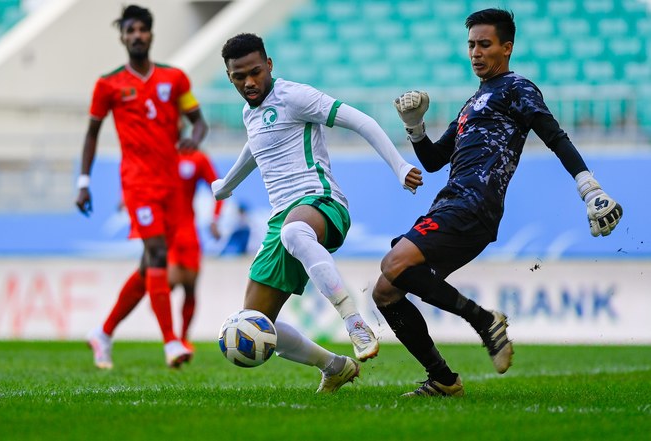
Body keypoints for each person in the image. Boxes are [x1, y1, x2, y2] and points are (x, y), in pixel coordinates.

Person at [372, 8, 623, 398]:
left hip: (474, 205)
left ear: (506, 48)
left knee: (393, 264)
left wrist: (588, 186)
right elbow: (435, 161)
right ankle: (442, 379)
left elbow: (554, 136)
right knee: (385, 292)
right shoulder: (474, 101)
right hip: (451, 202)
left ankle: (483, 320)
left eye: (484, 44)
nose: (475, 52)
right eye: (471, 44)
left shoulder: (516, 88)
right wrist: (415, 126)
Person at [212, 33, 423, 393]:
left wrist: (400, 166)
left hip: (321, 201)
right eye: (238, 76)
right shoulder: (251, 112)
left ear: (270, 65)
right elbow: (254, 146)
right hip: (283, 218)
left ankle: (354, 320)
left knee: (293, 233)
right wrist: (227, 184)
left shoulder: (295, 96)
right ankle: (334, 366)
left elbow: (362, 121)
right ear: (229, 75)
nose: (249, 82)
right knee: (257, 322)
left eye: (255, 72)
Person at [76, 4, 208, 369]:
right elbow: (92, 134)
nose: (136, 36)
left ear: (150, 34)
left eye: (142, 30)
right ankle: (171, 343)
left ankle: (102, 332)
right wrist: (84, 182)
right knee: (157, 255)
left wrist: (194, 139)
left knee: (146, 267)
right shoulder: (109, 85)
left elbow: (198, 122)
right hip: (137, 184)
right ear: (122, 37)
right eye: (130, 30)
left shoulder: (175, 79)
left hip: (169, 185)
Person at [169, 149, 224, 352]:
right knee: (169, 283)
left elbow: (219, 188)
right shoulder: (162, 152)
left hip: (188, 233)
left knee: (190, 288)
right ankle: (169, 339)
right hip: (165, 233)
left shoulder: (198, 158)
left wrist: (215, 218)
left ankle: (182, 339)